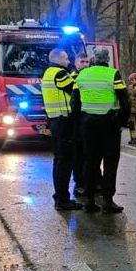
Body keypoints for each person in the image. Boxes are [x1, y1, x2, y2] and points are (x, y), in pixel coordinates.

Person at [70, 49, 130, 214]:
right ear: (108, 59)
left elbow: (74, 102)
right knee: (110, 162)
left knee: (90, 162)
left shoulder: (81, 75)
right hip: (109, 124)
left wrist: (80, 122)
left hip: (88, 125)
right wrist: (121, 122)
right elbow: (125, 100)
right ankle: (107, 200)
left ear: (93, 59)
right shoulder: (113, 74)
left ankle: (89, 200)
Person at [41, 48, 82, 211]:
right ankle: (62, 199)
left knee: (59, 161)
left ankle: (60, 195)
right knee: (65, 162)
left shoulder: (48, 73)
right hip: (64, 122)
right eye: (65, 58)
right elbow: (76, 91)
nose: (68, 61)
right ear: (58, 59)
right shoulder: (60, 74)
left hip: (55, 121)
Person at [70, 52, 92, 197]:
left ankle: (92, 182)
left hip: (88, 122)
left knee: (90, 154)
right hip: (76, 122)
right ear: (76, 62)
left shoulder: (90, 77)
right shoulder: (72, 78)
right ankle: (79, 182)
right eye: (82, 62)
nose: (85, 65)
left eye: (87, 62)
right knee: (78, 155)